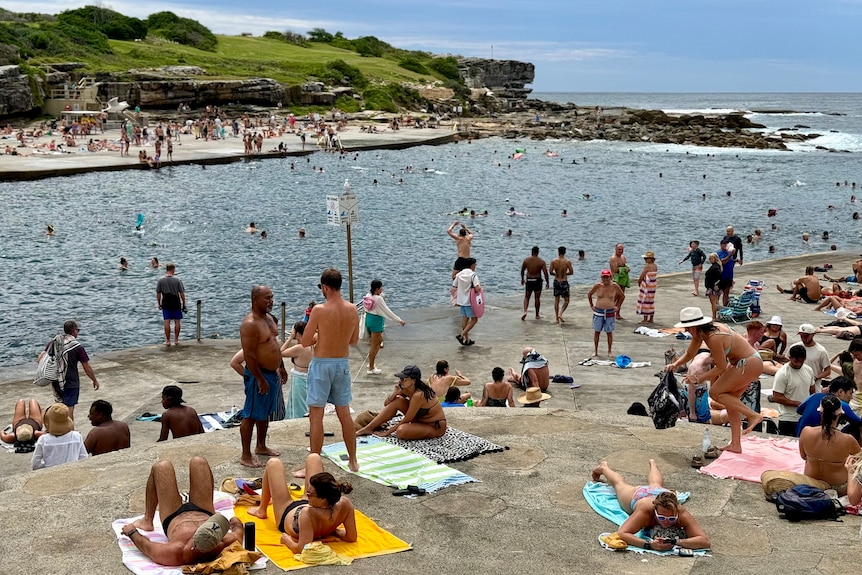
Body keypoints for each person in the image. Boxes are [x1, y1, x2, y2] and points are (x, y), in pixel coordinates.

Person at [667, 307, 764, 453]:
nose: (686, 331)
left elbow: (721, 367)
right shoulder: (701, 334)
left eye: (687, 328)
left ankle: (753, 415)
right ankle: (736, 444)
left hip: (749, 363)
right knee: (731, 402)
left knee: (715, 392)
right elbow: (689, 353)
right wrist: (675, 364)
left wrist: (699, 378)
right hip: (745, 363)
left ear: (695, 326)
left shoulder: (714, 337)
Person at [121, 457, 245, 566]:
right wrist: (235, 521)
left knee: (162, 467)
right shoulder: (225, 542)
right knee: (199, 461)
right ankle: (147, 519)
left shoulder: (176, 551)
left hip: (173, 516)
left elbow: (147, 547)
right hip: (205, 512)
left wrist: (131, 532)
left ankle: (147, 521)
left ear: (193, 546)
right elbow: (238, 529)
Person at [302, 269, 360, 474]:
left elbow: (305, 341)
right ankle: (353, 461)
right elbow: (353, 341)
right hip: (341, 363)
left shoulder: (319, 310)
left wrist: (319, 336)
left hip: (322, 364)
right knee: (344, 413)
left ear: (325, 287)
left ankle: (314, 466)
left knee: (316, 415)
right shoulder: (353, 309)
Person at [591, 459, 710, 551]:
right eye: (662, 518)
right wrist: (648, 545)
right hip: (639, 496)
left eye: (671, 518)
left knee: (656, 484)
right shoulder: (645, 511)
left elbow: (704, 541)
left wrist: (676, 542)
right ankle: (604, 467)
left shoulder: (681, 512)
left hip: (661, 493)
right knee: (619, 485)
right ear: (655, 511)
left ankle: (653, 463)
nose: (666, 522)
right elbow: (622, 533)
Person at [247, 454, 356, 554]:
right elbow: (351, 537)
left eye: (309, 493)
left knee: (273, 463)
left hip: (287, 513)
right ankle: (261, 509)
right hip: (309, 509)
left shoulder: (307, 513)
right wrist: (335, 531)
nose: (307, 495)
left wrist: (287, 541)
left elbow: (301, 549)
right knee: (314, 457)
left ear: (323, 499)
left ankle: (262, 509)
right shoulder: (345, 504)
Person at [239, 286, 287, 467]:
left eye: (272, 297)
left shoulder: (268, 319)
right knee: (250, 415)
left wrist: (281, 366)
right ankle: (245, 455)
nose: (271, 301)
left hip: (271, 373)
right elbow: (249, 354)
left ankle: (261, 445)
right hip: (257, 375)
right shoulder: (250, 324)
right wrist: (259, 379)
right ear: (255, 299)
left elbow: (274, 344)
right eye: (267, 298)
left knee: (265, 412)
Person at [356, 365, 447, 439]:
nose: (401, 381)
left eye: (404, 379)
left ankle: (371, 428)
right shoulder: (406, 389)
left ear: (413, 381)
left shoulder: (418, 395)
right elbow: (387, 404)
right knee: (398, 400)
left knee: (401, 431)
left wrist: (388, 432)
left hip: (434, 426)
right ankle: (368, 428)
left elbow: (408, 419)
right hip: (419, 420)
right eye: (401, 378)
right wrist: (395, 393)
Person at [798, 396, 861, 495]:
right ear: (839, 414)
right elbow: (859, 464)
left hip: (810, 483)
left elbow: (803, 456)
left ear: (820, 412)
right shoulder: (848, 440)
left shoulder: (806, 432)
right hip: (838, 488)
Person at [38, 320, 99, 421]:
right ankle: (69, 432)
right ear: (74, 331)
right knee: (69, 408)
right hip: (71, 382)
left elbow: (40, 359)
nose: (78, 332)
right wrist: (94, 380)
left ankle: (58, 429)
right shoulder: (77, 347)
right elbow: (86, 367)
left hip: (56, 381)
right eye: (78, 330)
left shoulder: (54, 342)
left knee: (59, 408)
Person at [230, 313, 286, 422]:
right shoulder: (255, 344)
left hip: (273, 381)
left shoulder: (271, 341)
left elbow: (276, 353)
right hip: (261, 382)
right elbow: (235, 362)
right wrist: (252, 377)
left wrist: (281, 367)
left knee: (275, 409)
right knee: (260, 414)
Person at [362, 279, 405, 375]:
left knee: (379, 342)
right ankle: (371, 367)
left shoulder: (368, 296)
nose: (382, 289)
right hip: (376, 322)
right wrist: (399, 320)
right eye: (381, 287)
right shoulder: (378, 299)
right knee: (374, 345)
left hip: (369, 319)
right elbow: (387, 311)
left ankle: (371, 362)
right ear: (377, 289)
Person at [796, 376, 861, 438]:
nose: (851, 397)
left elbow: (799, 410)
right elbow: (859, 422)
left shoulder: (814, 396)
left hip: (800, 436)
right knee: (855, 427)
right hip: (818, 441)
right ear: (840, 392)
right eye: (850, 393)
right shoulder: (840, 404)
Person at [772, 345, 815, 436]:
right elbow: (777, 397)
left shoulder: (809, 370)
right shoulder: (783, 374)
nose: (798, 364)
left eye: (801, 361)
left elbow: (812, 390)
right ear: (790, 358)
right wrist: (798, 404)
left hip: (804, 417)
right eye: (795, 361)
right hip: (788, 418)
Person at [32, 403, 88, 470]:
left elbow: (35, 464)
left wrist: (47, 467)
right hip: (73, 472)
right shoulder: (77, 436)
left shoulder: (44, 440)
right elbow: (84, 457)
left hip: (51, 474)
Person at [587, 269, 625, 358]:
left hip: (610, 311)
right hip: (599, 311)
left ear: (610, 277)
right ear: (601, 277)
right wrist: (592, 305)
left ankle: (609, 351)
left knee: (609, 332)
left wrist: (617, 306)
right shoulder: (598, 286)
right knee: (597, 331)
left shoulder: (614, 286)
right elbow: (589, 294)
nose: (605, 279)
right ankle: (596, 351)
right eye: (604, 277)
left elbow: (622, 296)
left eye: (607, 277)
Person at [280, 321, 313, 419]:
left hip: (299, 380)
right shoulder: (312, 345)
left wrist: (290, 338)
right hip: (309, 377)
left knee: (299, 403)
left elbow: (280, 352)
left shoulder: (299, 348)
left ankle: (297, 419)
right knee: (306, 402)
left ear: (298, 334)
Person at [157, 263, 187, 346]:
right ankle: (176, 340)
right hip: (175, 301)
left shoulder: (161, 280)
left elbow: (158, 293)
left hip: (166, 301)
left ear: (166, 269)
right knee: (177, 321)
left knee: (167, 321)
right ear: (173, 269)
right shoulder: (177, 280)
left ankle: (168, 341)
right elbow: (181, 293)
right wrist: (184, 303)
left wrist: (159, 303)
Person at [454, 258, 481, 346]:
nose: (475, 266)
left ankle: (467, 339)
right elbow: (477, 289)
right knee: (474, 319)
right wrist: (480, 289)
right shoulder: (473, 275)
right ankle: (461, 335)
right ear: (472, 265)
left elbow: (454, 285)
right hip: (470, 301)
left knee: (465, 318)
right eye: (475, 265)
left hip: (461, 300)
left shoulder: (459, 275)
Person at [520, 246, 550, 321]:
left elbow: (522, 270)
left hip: (529, 280)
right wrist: (547, 282)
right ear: (538, 252)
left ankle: (525, 311)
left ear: (532, 252)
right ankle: (537, 315)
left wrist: (522, 279)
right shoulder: (541, 261)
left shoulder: (526, 260)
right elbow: (545, 273)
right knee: (537, 298)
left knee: (527, 297)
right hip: (537, 281)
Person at [550, 246, 574, 323]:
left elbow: (550, 272)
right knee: (566, 300)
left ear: (558, 252)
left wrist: (556, 274)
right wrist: (565, 274)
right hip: (564, 281)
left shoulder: (553, 261)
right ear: (565, 252)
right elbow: (571, 272)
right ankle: (560, 313)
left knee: (557, 300)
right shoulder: (567, 262)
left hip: (556, 281)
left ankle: (557, 318)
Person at [608, 244, 630, 319]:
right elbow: (615, 269)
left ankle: (617, 313)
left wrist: (627, 268)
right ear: (615, 249)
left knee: (621, 296)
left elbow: (624, 266)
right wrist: (624, 269)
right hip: (615, 279)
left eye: (622, 249)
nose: (621, 251)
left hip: (623, 278)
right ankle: (610, 312)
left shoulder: (623, 257)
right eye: (619, 249)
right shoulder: (613, 258)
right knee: (615, 297)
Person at [635, 251, 658, 324]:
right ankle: (651, 318)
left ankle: (645, 318)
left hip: (647, 286)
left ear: (651, 259)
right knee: (650, 301)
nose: (645, 260)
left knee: (645, 301)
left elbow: (642, 276)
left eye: (646, 258)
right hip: (653, 285)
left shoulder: (647, 266)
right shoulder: (655, 266)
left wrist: (639, 282)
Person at [703, 253, 722, 319]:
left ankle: (714, 316)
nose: (709, 260)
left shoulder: (715, 267)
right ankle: (719, 315)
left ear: (715, 259)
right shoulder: (716, 266)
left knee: (713, 303)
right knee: (716, 302)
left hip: (712, 287)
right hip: (712, 286)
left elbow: (720, 276)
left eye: (711, 258)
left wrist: (716, 284)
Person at [717, 241, 735, 307]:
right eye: (724, 244)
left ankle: (725, 307)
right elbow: (723, 262)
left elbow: (730, 261)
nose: (725, 246)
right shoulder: (719, 253)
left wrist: (735, 260)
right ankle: (717, 307)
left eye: (726, 244)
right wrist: (730, 255)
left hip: (729, 276)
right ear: (721, 245)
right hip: (722, 276)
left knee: (726, 292)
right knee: (718, 293)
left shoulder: (728, 252)